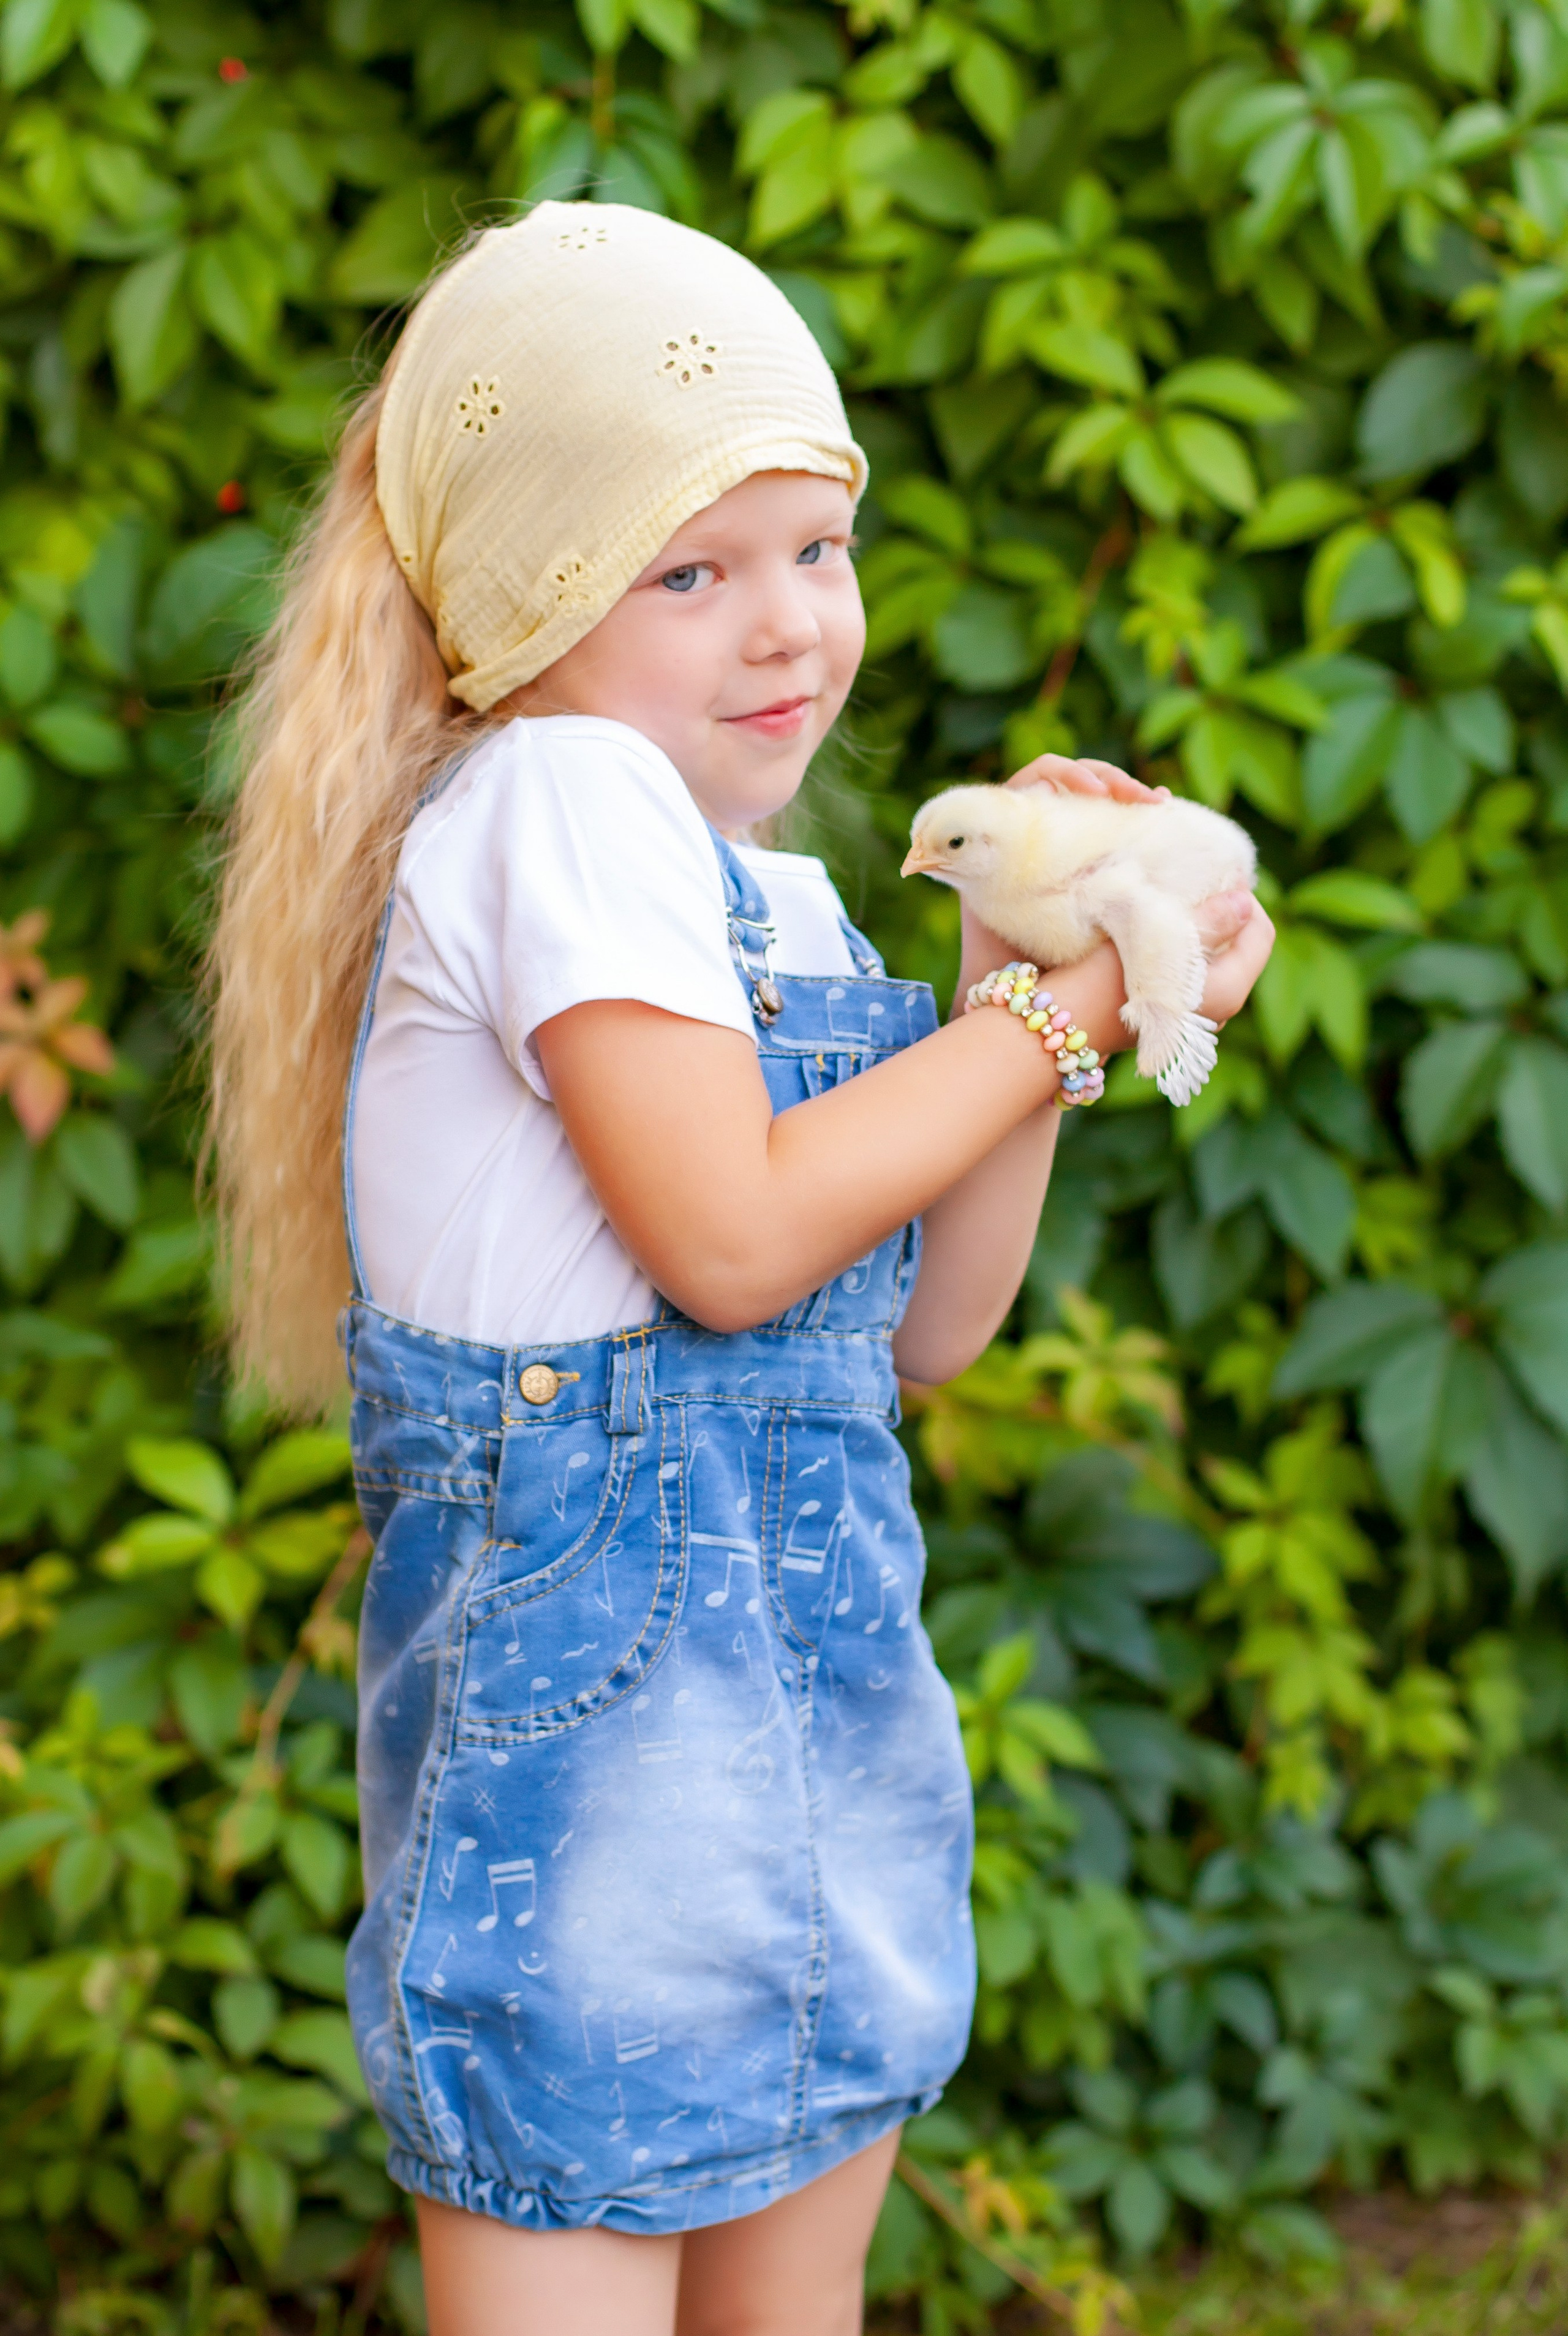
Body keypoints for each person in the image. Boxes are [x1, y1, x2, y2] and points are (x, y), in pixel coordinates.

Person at [208, 202, 1273, 2336]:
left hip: (823, 1739)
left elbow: (926, 1330)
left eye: (818, 547)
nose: (787, 627)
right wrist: (1044, 1027)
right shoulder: (558, 803)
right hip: (595, 1778)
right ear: (522, 612)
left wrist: (1012, 980)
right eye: (692, 572)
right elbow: (727, 1242)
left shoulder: (775, 910)